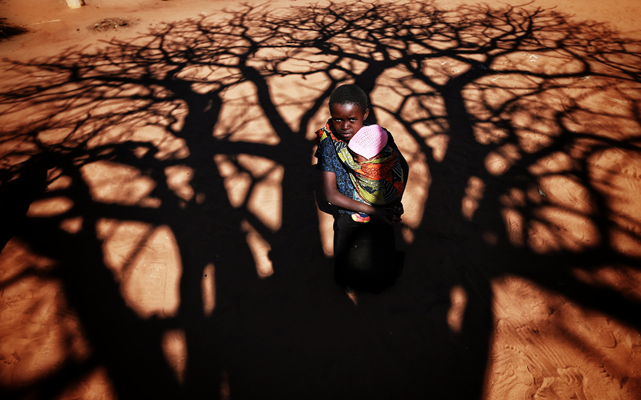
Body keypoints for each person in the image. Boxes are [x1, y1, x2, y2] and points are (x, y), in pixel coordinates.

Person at [314, 84, 409, 293]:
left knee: (380, 249)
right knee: (350, 252)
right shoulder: (329, 145)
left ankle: (379, 283)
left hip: (382, 209)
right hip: (349, 213)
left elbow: (402, 166)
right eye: (338, 119)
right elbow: (330, 194)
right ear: (331, 116)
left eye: (352, 119)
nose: (345, 126)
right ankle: (350, 284)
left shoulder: (380, 136)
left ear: (365, 114)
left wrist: (395, 199)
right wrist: (376, 210)